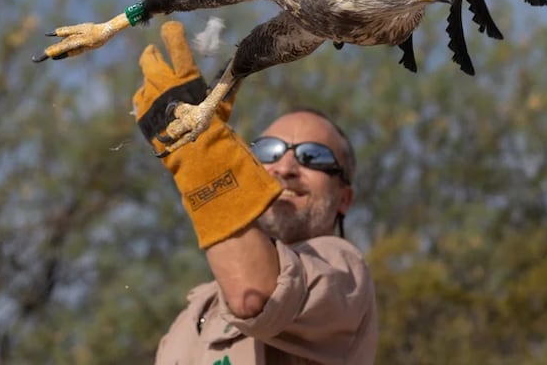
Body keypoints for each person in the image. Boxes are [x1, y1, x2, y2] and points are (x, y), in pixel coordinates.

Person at [133, 22, 378, 364]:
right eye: (268, 151)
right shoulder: (195, 312)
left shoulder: (343, 273)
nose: (285, 167)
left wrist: (202, 157)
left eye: (313, 157)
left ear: (344, 199)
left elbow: (254, 295)